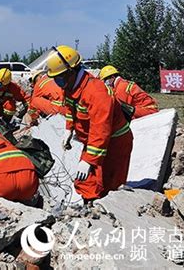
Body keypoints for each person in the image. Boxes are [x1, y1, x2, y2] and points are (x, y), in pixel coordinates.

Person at [46, 45, 133, 202]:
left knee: (110, 187)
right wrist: (69, 129)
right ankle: (89, 210)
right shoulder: (70, 86)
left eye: (59, 78)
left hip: (115, 143)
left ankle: (108, 217)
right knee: (86, 183)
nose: (57, 82)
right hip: (94, 142)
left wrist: (88, 160)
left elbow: (101, 129)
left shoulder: (96, 92)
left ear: (71, 71)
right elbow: (70, 109)